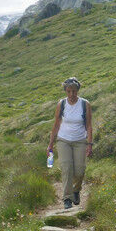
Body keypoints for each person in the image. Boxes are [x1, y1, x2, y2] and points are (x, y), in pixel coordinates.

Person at [47, 77, 92, 209]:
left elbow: (89, 125)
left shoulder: (85, 104)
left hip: (80, 141)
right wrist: (50, 144)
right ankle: (67, 198)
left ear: (78, 90)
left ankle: (76, 190)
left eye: (74, 91)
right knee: (66, 168)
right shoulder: (61, 104)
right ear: (65, 91)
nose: (72, 94)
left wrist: (89, 144)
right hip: (63, 140)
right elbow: (56, 124)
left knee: (80, 170)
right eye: (69, 91)